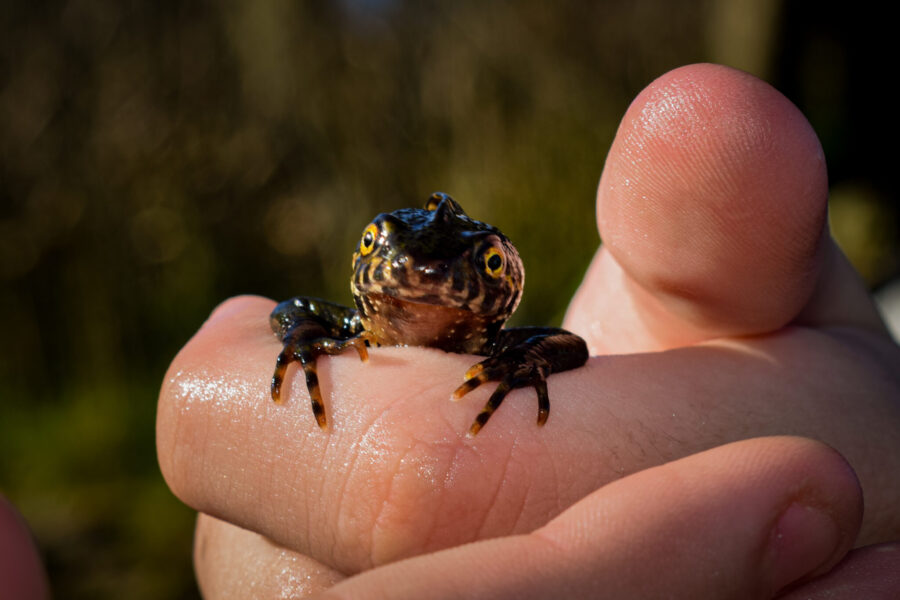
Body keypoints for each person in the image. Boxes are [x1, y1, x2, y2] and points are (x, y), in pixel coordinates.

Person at [156, 63, 900, 598]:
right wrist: (286, 345)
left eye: (477, 260)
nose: (422, 274)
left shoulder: (501, 346)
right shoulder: (347, 328)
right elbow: (290, 313)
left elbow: (566, 345)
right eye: (383, 251)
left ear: (501, 278)